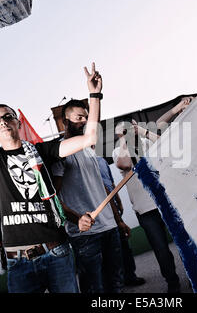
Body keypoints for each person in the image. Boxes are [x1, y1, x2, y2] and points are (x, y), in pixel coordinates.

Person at [0, 39, 100, 292]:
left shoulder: (44, 151)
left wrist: (95, 95)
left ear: (17, 123)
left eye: (8, 116)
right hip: (18, 262)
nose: (2, 121)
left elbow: (89, 138)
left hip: (57, 253)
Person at [51, 100, 125, 293]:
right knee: (94, 289)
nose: (84, 121)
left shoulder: (90, 150)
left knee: (116, 284)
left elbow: (101, 186)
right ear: (65, 122)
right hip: (85, 235)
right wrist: (76, 219)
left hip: (110, 227)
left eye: (86, 117)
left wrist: (118, 220)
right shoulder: (60, 152)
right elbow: (54, 197)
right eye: (79, 118)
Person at [113, 120, 181, 293]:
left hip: (167, 201)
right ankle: (173, 283)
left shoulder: (146, 141)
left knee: (183, 242)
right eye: (122, 132)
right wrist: (123, 140)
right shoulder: (117, 151)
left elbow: (165, 145)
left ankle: (196, 276)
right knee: (161, 249)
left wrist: (142, 131)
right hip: (145, 209)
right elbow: (124, 164)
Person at [96, 156, 146, 287]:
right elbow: (102, 188)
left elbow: (111, 184)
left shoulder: (101, 161)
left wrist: (118, 201)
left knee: (124, 245)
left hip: (114, 207)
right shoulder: (86, 163)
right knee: (109, 251)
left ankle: (130, 276)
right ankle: (116, 282)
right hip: (101, 211)